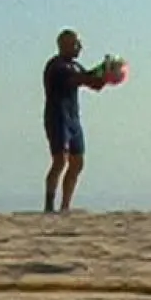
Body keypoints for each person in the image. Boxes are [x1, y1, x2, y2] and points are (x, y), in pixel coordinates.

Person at [43, 28, 109, 213]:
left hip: (73, 119)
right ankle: (49, 205)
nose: (80, 47)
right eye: (76, 44)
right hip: (58, 118)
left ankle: (65, 206)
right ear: (64, 45)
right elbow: (78, 80)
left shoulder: (75, 66)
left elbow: (94, 83)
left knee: (77, 162)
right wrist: (101, 70)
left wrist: (108, 72)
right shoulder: (56, 66)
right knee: (60, 161)